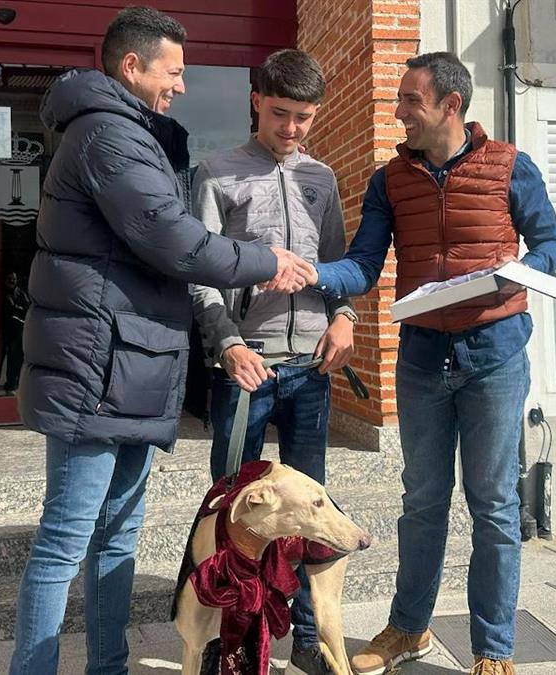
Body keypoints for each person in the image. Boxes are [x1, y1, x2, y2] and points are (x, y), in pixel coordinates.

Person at [9, 7, 316, 675]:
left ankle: (109, 665)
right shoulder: (107, 137)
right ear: (131, 66)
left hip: (130, 364)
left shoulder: (137, 137)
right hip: (95, 367)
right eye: (173, 72)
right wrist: (268, 260)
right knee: (66, 543)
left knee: (117, 537)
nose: (180, 85)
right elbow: (176, 242)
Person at [289, 52, 556, 675]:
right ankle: (409, 628)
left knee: (492, 502)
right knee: (422, 500)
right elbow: (363, 264)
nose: (399, 113)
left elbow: (552, 243)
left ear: (451, 105)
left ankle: (494, 649)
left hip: (494, 355)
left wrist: (517, 275)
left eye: (410, 101)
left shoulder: (510, 166)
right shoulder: (391, 179)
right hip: (420, 359)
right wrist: (310, 273)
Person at [189, 48, 357, 675]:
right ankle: (225, 640)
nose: (291, 128)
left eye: (305, 117)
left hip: (310, 370)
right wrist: (227, 343)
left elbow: (342, 268)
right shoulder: (216, 173)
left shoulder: (322, 179)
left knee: (316, 511)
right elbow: (199, 276)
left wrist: (345, 318)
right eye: (281, 113)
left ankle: (310, 636)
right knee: (231, 511)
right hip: (246, 368)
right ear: (257, 99)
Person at [1, 271, 29, 393]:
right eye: (9, 278)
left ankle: (12, 383)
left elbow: (27, 309)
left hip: (16, 330)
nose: (12, 281)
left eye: (14, 279)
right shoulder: (1, 293)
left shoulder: (21, 293)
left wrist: (15, 306)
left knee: (14, 359)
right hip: (2, 330)